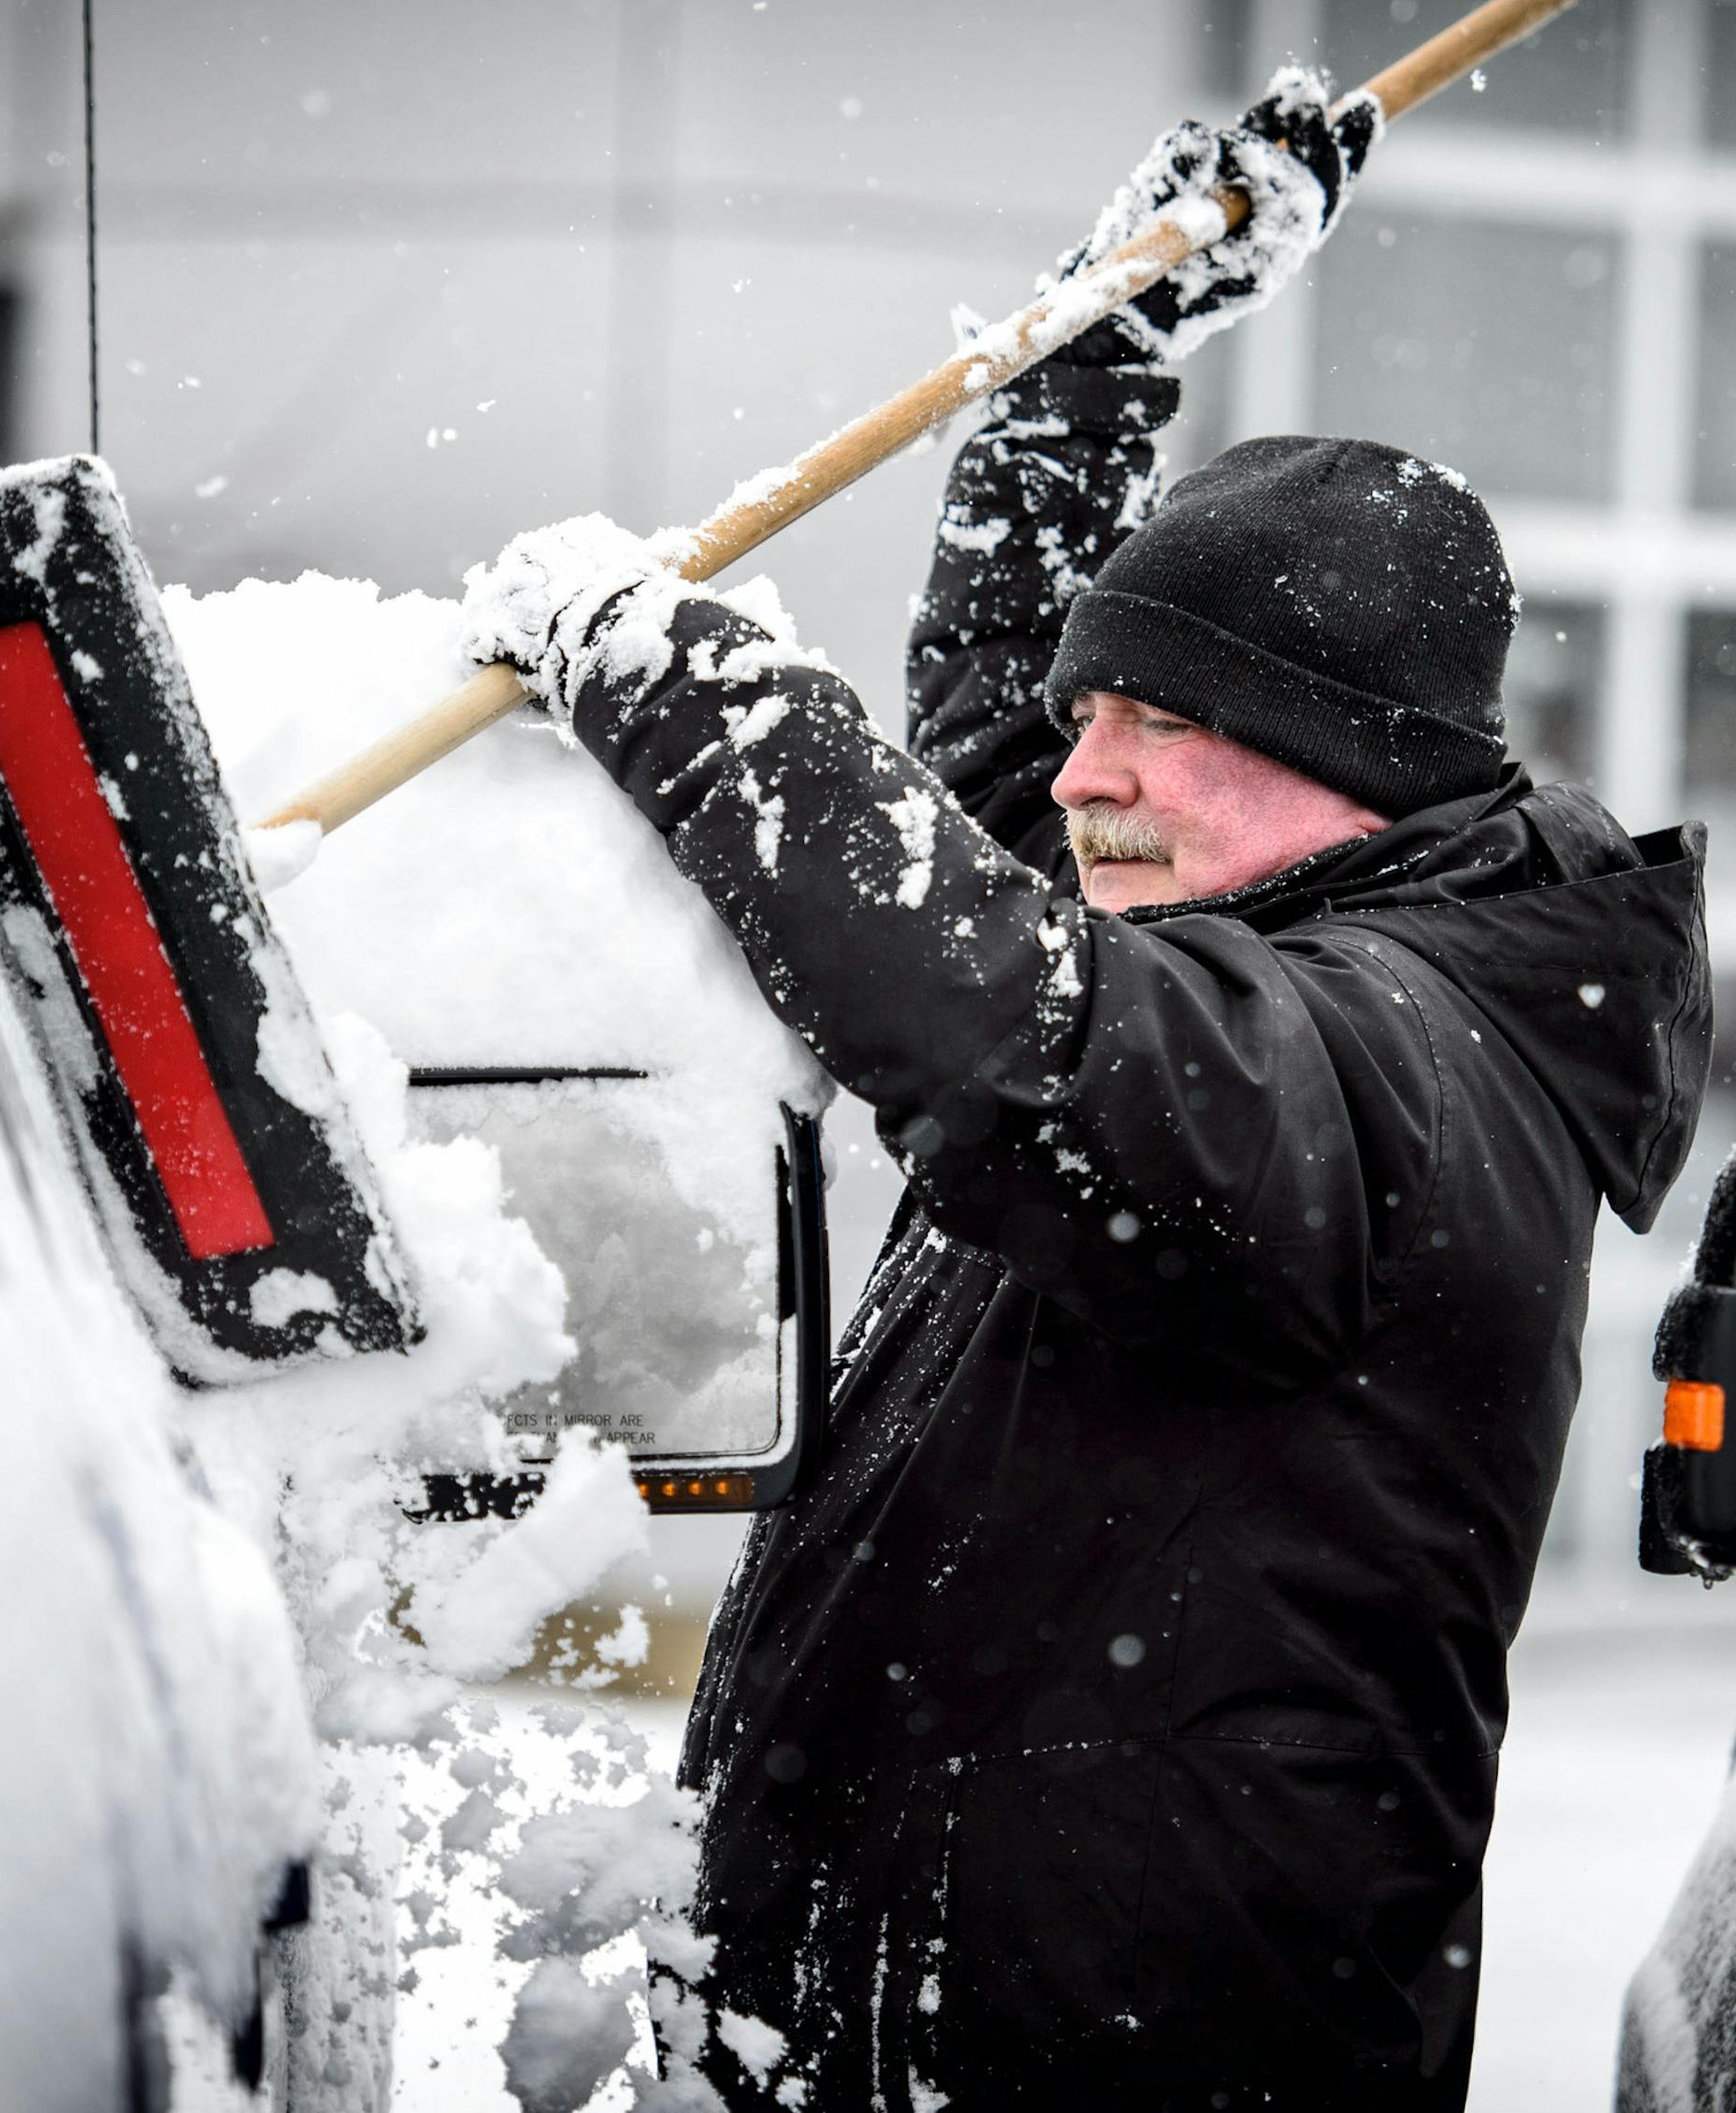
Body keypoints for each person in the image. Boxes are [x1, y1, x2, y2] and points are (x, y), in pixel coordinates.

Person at [461, 73, 1713, 2110]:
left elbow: (1002, 1035)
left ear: (1339, 755)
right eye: (1092, 713)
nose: (1077, 773)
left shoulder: (1413, 1067)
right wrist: (1096, 345)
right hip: (940, 2023)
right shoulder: (1258, 941)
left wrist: (677, 676)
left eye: (1146, 720)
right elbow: (983, 748)